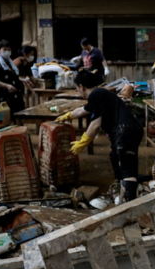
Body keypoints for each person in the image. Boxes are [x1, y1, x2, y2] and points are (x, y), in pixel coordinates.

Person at [55, 70, 143, 203]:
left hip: (126, 131)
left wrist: (82, 142)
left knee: (126, 169)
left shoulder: (96, 94)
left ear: (81, 86)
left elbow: (96, 124)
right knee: (115, 159)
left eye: (77, 88)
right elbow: (83, 110)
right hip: (126, 131)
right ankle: (122, 194)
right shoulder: (98, 94)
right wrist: (68, 115)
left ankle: (129, 207)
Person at [0, 40, 26, 115]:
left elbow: (12, 76)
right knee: (8, 117)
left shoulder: (9, 62)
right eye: (5, 49)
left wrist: (23, 80)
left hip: (15, 94)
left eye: (9, 49)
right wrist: (6, 86)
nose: (7, 52)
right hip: (4, 95)